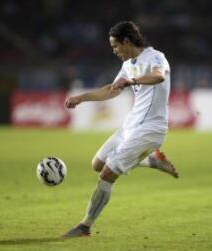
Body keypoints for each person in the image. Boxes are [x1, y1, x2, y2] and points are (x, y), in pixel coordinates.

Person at [62, 21, 179, 237]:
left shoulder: (155, 57)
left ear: (127, 41)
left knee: (107, 174)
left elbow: (158, 76)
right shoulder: (128, 64)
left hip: (151, 128)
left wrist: (131, 81)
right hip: (130, 126)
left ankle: (85, 226)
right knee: (97, 164)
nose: (114, 51)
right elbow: (111, 89)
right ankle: (151, 161)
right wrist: (81, 97)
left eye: (115, 46)